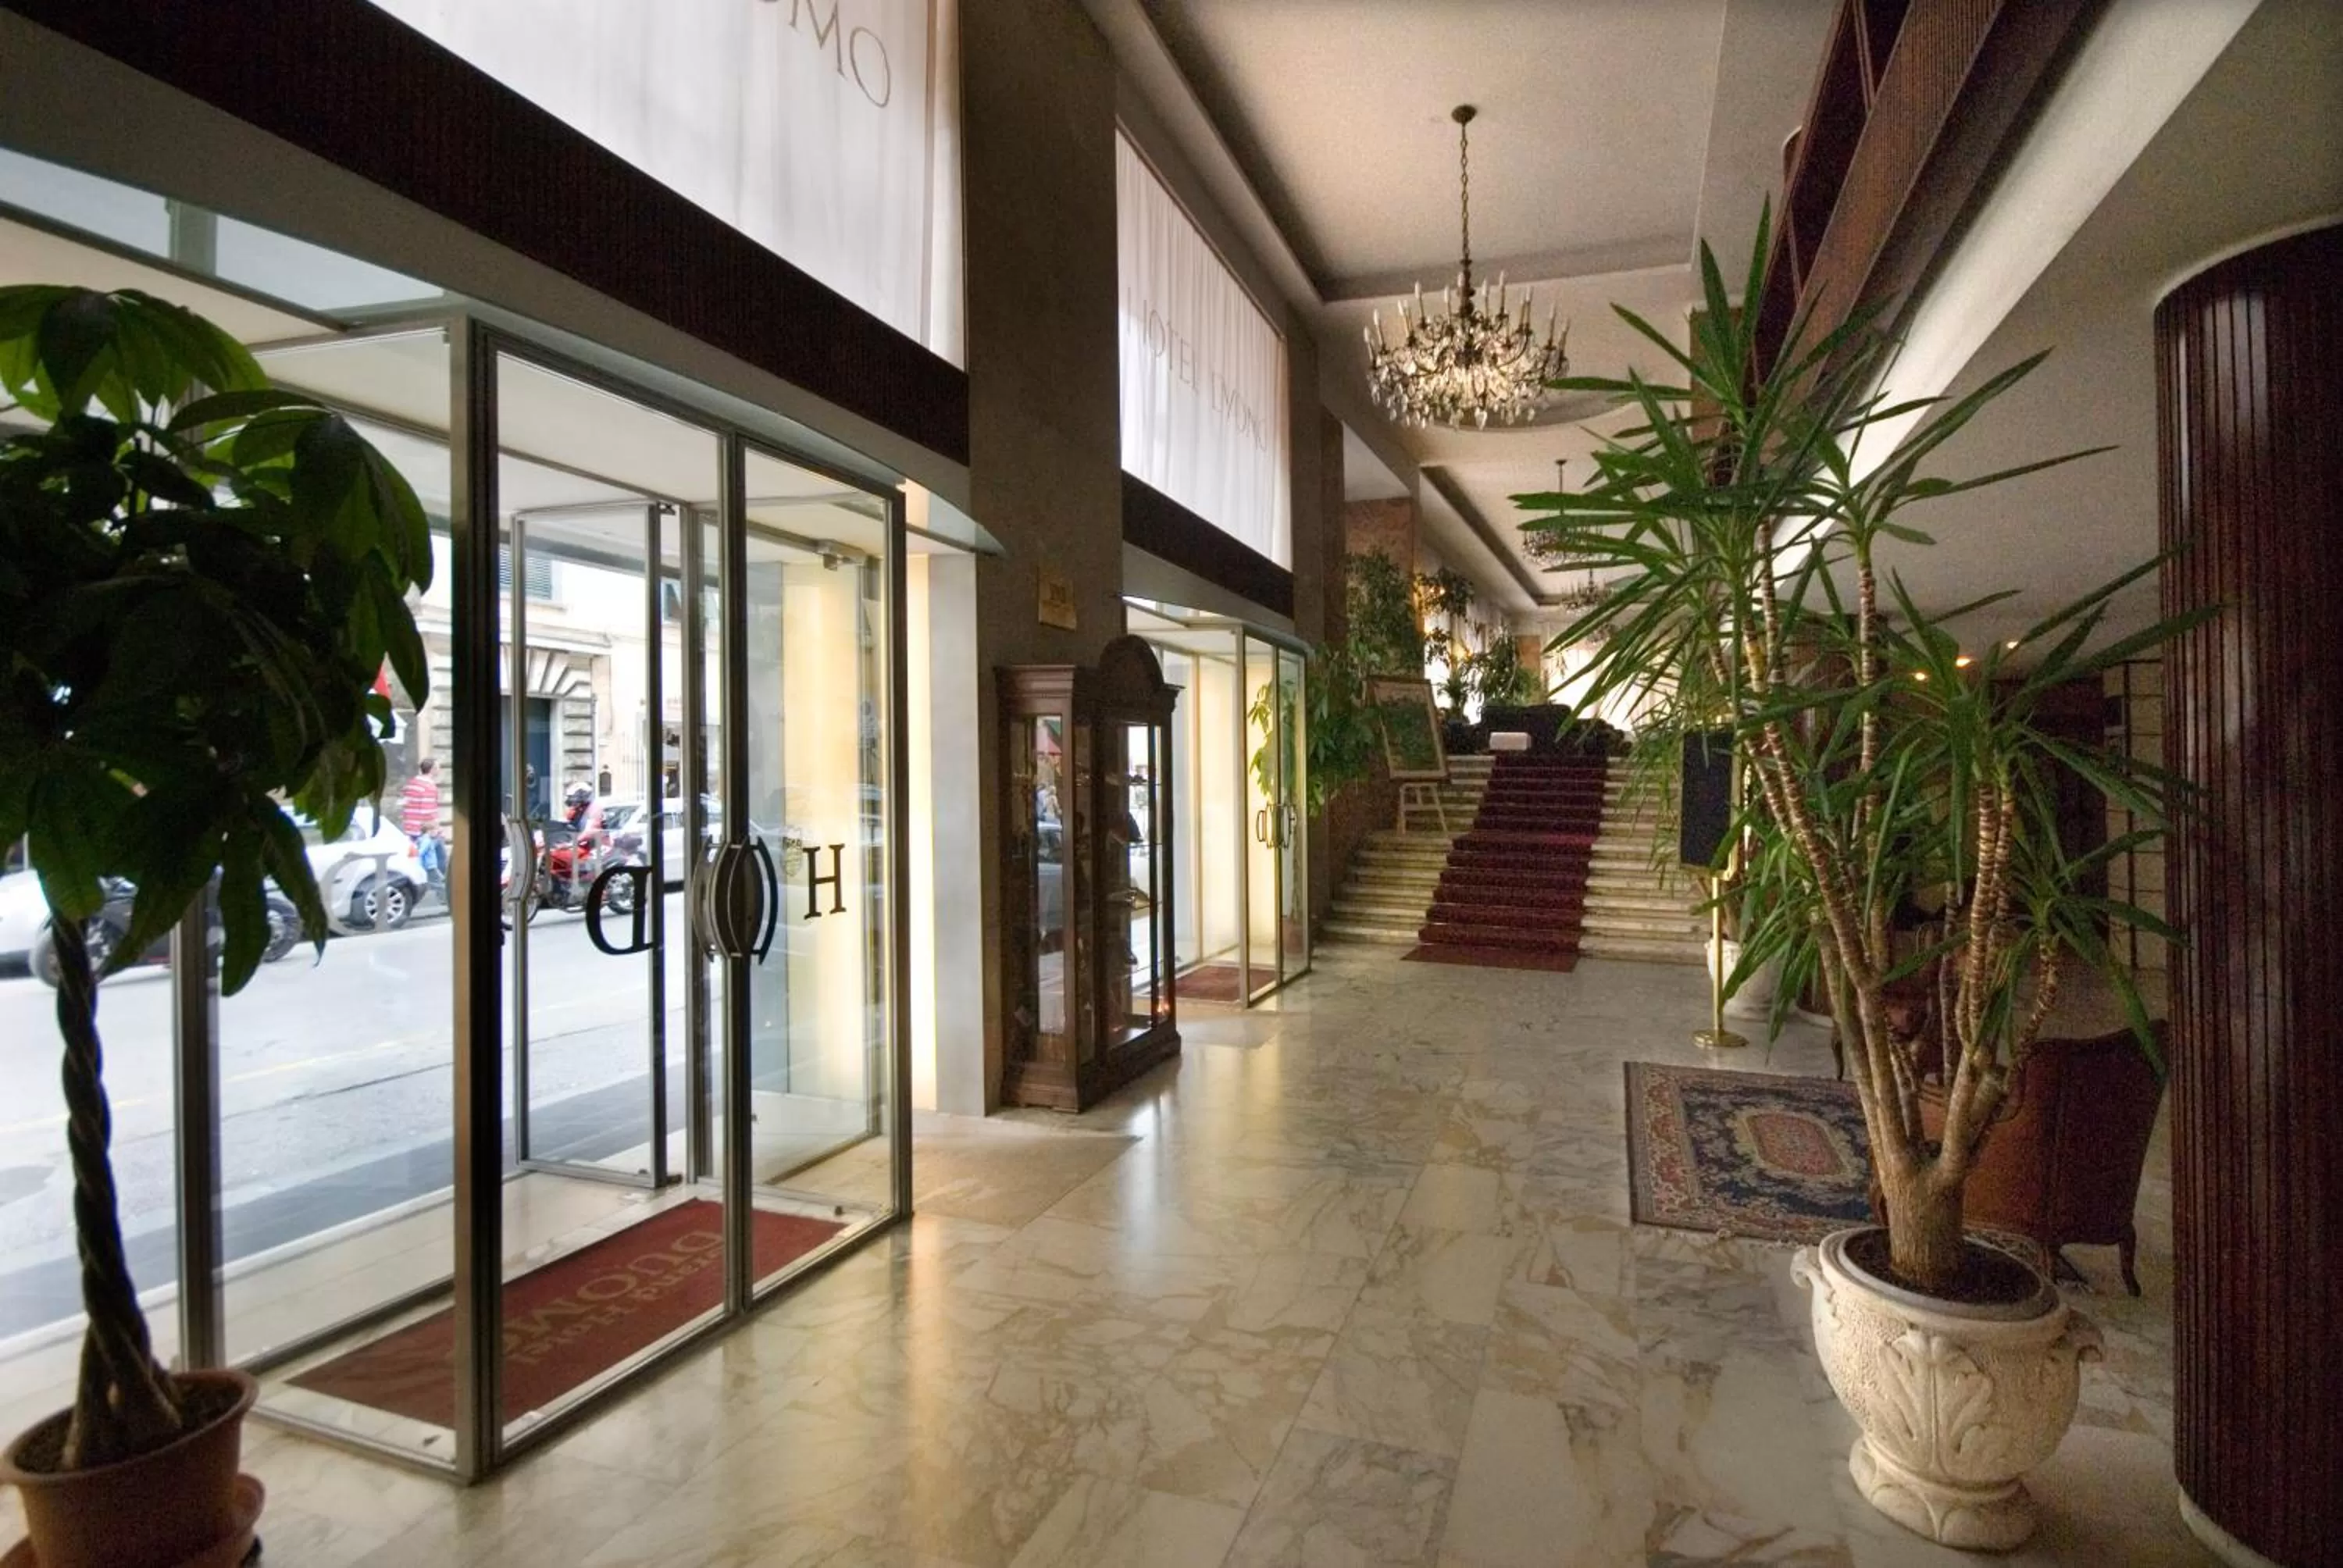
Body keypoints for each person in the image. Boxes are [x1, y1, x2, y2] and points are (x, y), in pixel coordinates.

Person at [401, 757, 445, 892]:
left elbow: (406, 804)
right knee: (439, 862)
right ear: (433, 770)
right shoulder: (429, 787)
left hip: (411, 829)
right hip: (425, 831)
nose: (439, 770)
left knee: (419, 860)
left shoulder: (411, 783)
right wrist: (435, 829)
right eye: (438, 768)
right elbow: (428, 811)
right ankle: (445, 895)